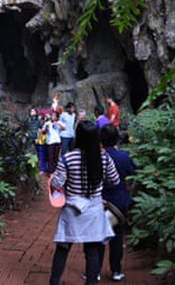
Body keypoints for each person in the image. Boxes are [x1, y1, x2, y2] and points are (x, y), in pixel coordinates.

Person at [49, 121, 120, 285]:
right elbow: (115, 180)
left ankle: (54, 281)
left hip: (72, 210)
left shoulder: (67, 158)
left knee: (63, 248)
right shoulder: (104, 157)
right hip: (94, 210)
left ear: (78, 136)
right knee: (92, 251)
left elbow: (57, 184)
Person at [99, 124, 137, 282]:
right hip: (119, 203)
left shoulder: (97, 157)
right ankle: (116, 271)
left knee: (98, 238)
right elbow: (135, 173)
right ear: (117, 138)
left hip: (100, 202)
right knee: (117, 237)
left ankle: (94, 271)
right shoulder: (124, 157)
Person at [27, 108, 45, 173]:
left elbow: (40, 130)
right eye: (31, 111)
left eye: (33, 111)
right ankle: (31, 167)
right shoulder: (28, 120)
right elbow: (26, 129)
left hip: (37, 138)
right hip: (30, 138)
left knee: (40, 153)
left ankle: (42, 168)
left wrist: (37, 138)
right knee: (30, 153)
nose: (32, 112)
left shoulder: (38, 121)